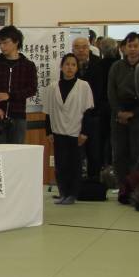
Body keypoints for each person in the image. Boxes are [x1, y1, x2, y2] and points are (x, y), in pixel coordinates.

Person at [41, 52, 92, 205]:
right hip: (57, 130)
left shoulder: (83, 86)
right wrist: (48, 131)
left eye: (73, 65)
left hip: (76, 130)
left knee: (74, 164)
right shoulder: (53, 87)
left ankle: (73, 194)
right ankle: (63, 192)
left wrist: (85, 132)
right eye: (67, 64)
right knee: (60, 163)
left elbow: (88, 111)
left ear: (77, 68)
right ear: (62, 67)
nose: (70, 67)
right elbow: (48, 111)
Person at [109, 31, 139, 203]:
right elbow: (111, 92)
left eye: (136, 46)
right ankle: (122, 188)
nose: (133, 49)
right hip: (118, 114)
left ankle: (135, 189)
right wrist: (119, 112)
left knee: (137, 154)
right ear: (124, 48)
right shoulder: (116, 67)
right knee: (119, 154)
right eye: (130, 46)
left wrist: (134, 113)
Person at [0, 25, 37, 146]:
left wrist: (10, 96)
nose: (2, 46)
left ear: (16, 42)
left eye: (5, 42)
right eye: (0, 43)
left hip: (18, 116)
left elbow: (32, 89)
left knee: (16, 152)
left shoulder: (28, 65)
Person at [76, 35, 112, 183]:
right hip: (74, 115)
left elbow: (102, 90)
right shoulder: (70, 63)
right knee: (76, 152)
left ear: (89, 47)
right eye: (77, 47)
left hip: (95, 114)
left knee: (94, 152)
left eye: (84, 47)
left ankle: (94, 183)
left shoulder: (99, 64)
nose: (81, 50)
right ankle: (76, 184)